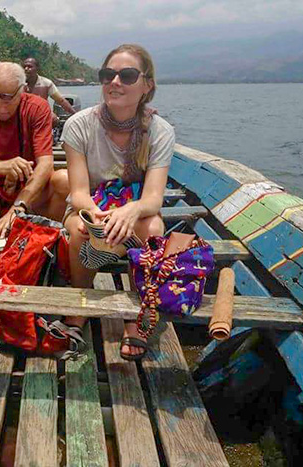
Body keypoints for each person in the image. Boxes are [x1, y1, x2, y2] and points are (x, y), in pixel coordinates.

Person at [61, 44, 175, 360]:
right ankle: (80, 302)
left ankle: (136, 315)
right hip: (93, 208)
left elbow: (153, 197)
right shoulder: (78, 125)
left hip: (135, 210)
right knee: (80, 228)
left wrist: (127, 211)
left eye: (126, 75)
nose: (115, 82)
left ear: (147, 85)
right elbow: (80, 192)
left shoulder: (160, 132)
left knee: (154, 225)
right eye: (108, 74)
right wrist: (97, 216)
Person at [0, 61, 69, 239]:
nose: (1, 106)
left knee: (64, 179)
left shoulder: (37, 108)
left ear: (23, 90)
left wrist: (18, 206)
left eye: (8, 97)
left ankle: (46, 244)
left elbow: (46, 164)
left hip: (29, 192)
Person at [23, 57, 77, 126]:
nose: (26, 69)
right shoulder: (18, 84)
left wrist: (75, 114)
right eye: (24, 67)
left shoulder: (46, 83)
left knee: (53, 118)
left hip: (41, 115)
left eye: (30, 66)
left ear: (37, 68)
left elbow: (61, 101)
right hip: (24, 116)